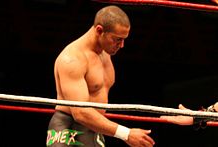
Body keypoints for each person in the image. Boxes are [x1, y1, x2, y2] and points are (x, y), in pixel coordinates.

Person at [46, 5, 155, 147]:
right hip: (69, 127)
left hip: (94, 128)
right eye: (117, 39)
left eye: (124, 39)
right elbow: (80, 112)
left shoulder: (105, 53)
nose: (121, 45)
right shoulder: (73, 59)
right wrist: (126, 134)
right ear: (99, 30)